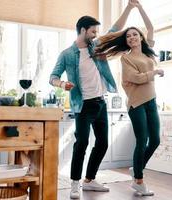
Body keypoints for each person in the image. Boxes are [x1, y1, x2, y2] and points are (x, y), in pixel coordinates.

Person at [49, 0, 137, 199]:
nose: (96, 35)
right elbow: (52, 77)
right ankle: (74, 183)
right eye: (92, 32)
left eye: (96, 32)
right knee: (81, 144)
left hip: (100, 103)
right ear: (82, 30)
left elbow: (115, 29)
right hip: (83, 106)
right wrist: (62, 85)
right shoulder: (67, 55)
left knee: (103, 143)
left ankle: (89, 180)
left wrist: (129, 7)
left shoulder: (95, 47)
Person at [94, 1, 164, 196]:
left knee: (155, 140)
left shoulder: (148, 50)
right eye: (128, 35)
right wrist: (155, 72)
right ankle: (138, 182)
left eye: (135, 34)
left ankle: (137, 167)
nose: (132, 37)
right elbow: (134, 78)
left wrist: (138, 7)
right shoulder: (126, 58)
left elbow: (150, 27)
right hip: (136, 104)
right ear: (127, 41)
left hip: (151, 101)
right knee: (142, 140)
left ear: (141, 37)